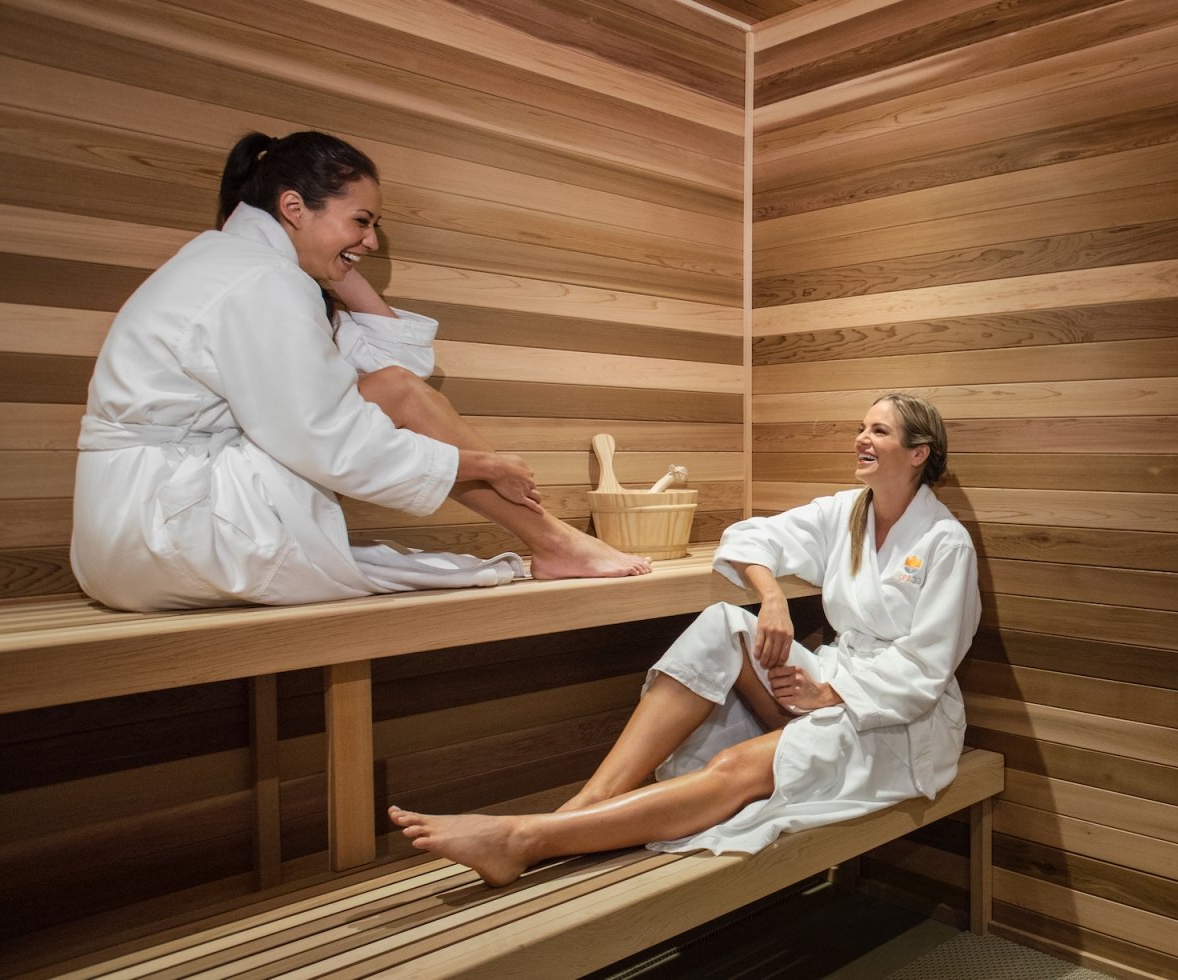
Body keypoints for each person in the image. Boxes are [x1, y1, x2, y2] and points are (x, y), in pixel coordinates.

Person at [387, 393, 979, 886]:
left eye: (878, 430)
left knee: (735, 765)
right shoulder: (848, 511)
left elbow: (927, 669)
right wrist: (771, 598)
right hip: (832, 680)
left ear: (918, 452)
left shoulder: (944, 543)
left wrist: (833, 695)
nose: (861, 438)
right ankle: (589, 805)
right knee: (726, 623)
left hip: (900, 720)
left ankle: (525, 838)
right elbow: (748, 536)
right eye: (860, 427)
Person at [71, 130, 650, 611]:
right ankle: (555, 541)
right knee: (398, 394)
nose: (370, 241)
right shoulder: (261, 282)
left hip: (128, 536)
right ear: (293, 207)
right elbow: (331, 436)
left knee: (398, 388)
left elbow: (387, 362)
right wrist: (479, 463)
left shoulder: (238, 265)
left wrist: (332, 260)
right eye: (360, 221)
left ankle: (555, 541)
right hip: (170, 531)